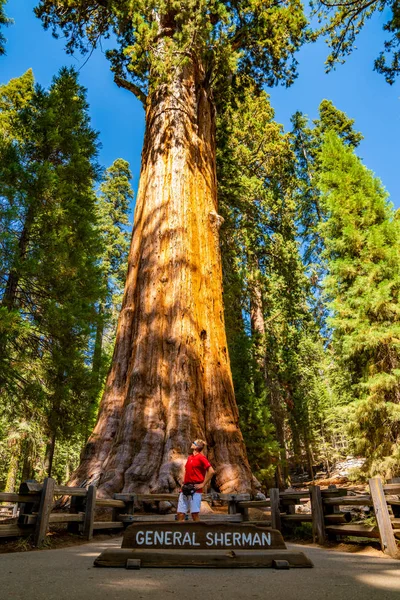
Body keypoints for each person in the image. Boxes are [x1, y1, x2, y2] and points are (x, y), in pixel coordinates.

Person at [177, 439, 215, 521]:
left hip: (195, 489)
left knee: (194, 514)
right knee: (180, 513)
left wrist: (203, 484)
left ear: (197, 447)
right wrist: (183, 482)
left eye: (193, 443)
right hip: (185, 488)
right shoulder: (190, 457)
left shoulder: (201, 458)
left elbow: (211, 471)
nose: (191, 443)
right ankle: (180, 532)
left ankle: (199, 532)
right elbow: (186, 470)